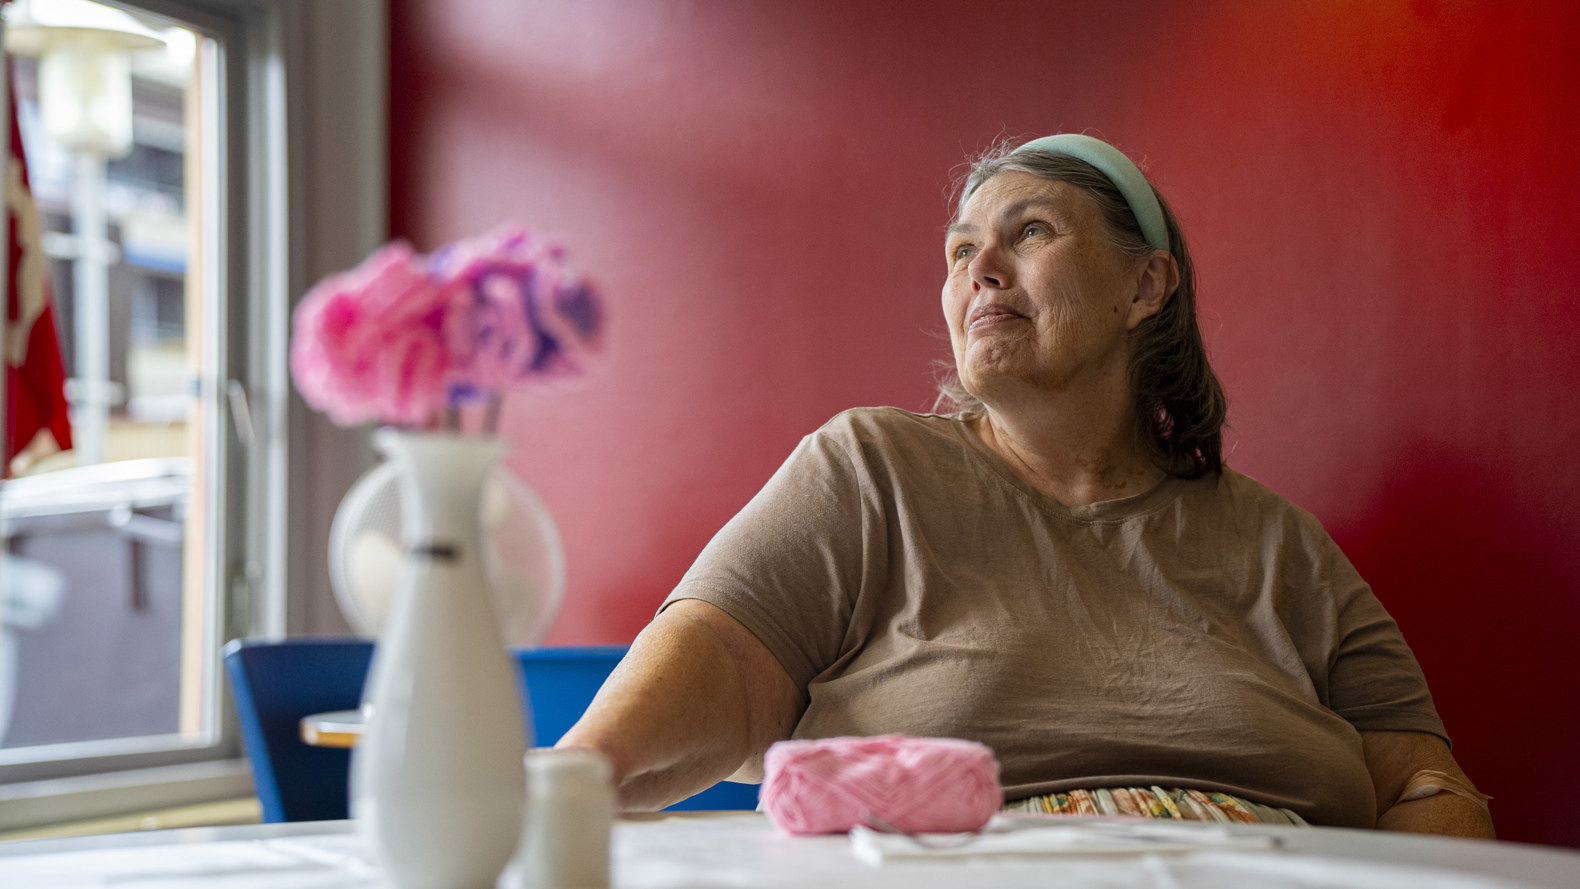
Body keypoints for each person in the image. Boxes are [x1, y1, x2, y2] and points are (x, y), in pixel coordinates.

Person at [557, 134, 1494, 837]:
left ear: (1145, 288)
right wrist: (563, 790)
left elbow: (1423, 787)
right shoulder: (868, 473)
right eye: (962, 252)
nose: (981, 272)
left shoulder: (1288, 551)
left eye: (1029, 231)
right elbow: (719, 663)